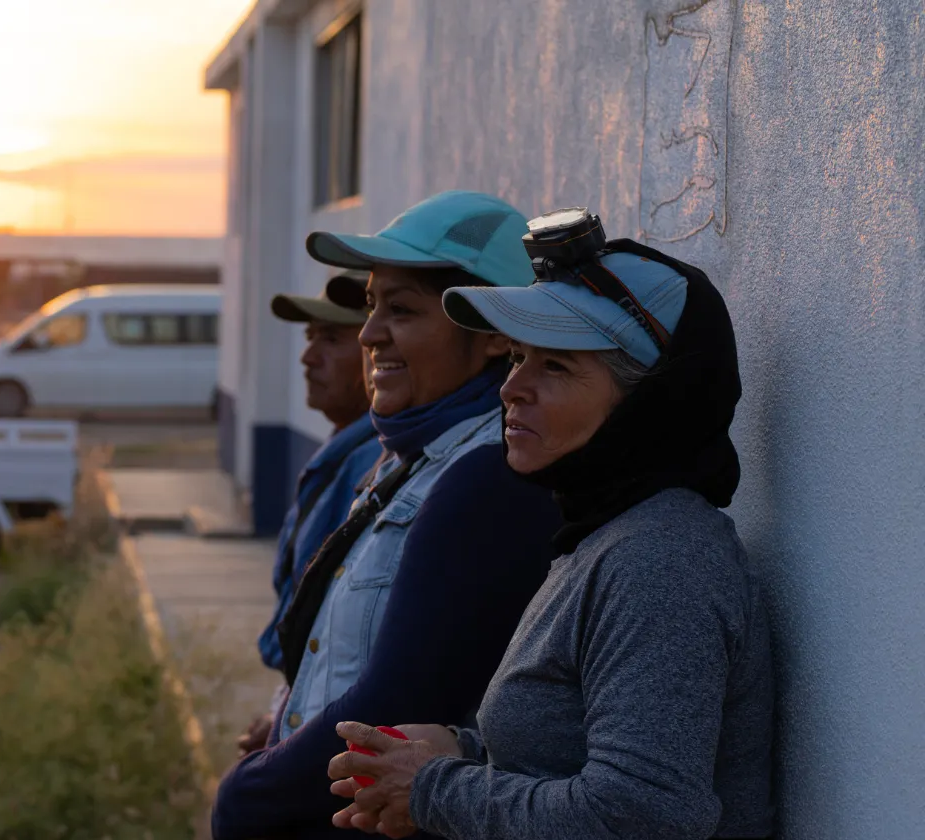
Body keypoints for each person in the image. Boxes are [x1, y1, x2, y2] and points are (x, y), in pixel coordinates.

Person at [324, 223, 774, 840]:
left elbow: (643, 814)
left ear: (648, 402)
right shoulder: (605, 536)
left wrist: (432, 788)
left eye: (556, 365)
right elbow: (569, 755)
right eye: (516, 356)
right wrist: (462, 751)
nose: (512, 388)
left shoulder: (663, 562)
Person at [211, 191, 564, 840]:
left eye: (400, 311)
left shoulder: (488, 477)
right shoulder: (410, 460)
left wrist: (246, 794)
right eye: (372, 307)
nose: (370, 334)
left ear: (492, 335)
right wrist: (285, 728)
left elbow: (398, 704)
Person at [236, 272, 382, 754]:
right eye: (309, 337)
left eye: (332, 339)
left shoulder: (371, 467)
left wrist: (289, 718)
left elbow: (342, 635)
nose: (307, 357)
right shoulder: (343, 452)